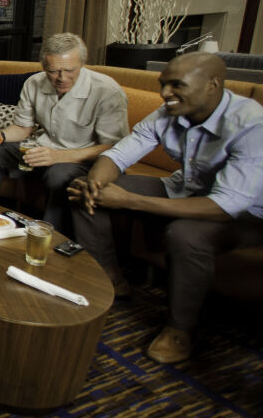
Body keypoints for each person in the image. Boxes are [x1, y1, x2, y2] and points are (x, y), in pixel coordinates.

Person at [67, 52, 263, 364]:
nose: (164, 93)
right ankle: (109, 278)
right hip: (185, 190)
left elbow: (225, 206)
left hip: (247, 213)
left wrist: (129, 200)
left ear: (212, 85)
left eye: (176, 85)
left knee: (185, 235)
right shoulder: (170, 111)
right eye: (163, 84)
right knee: (83, 188)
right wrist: (95, 184)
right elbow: (119, 154)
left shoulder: (251, 125)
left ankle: (180, 330)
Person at [0, 33, 129, 236]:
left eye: (70, 70)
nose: (62, 78)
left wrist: (59, 156)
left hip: (83, 159)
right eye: (53, 71)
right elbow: (22, 128)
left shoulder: (107, 91)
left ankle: (50, 238)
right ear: (44, 66)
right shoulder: (33, 83)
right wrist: (0, 136)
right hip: (43, 150)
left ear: (82, 63)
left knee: (58, 174)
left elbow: (115, 148)